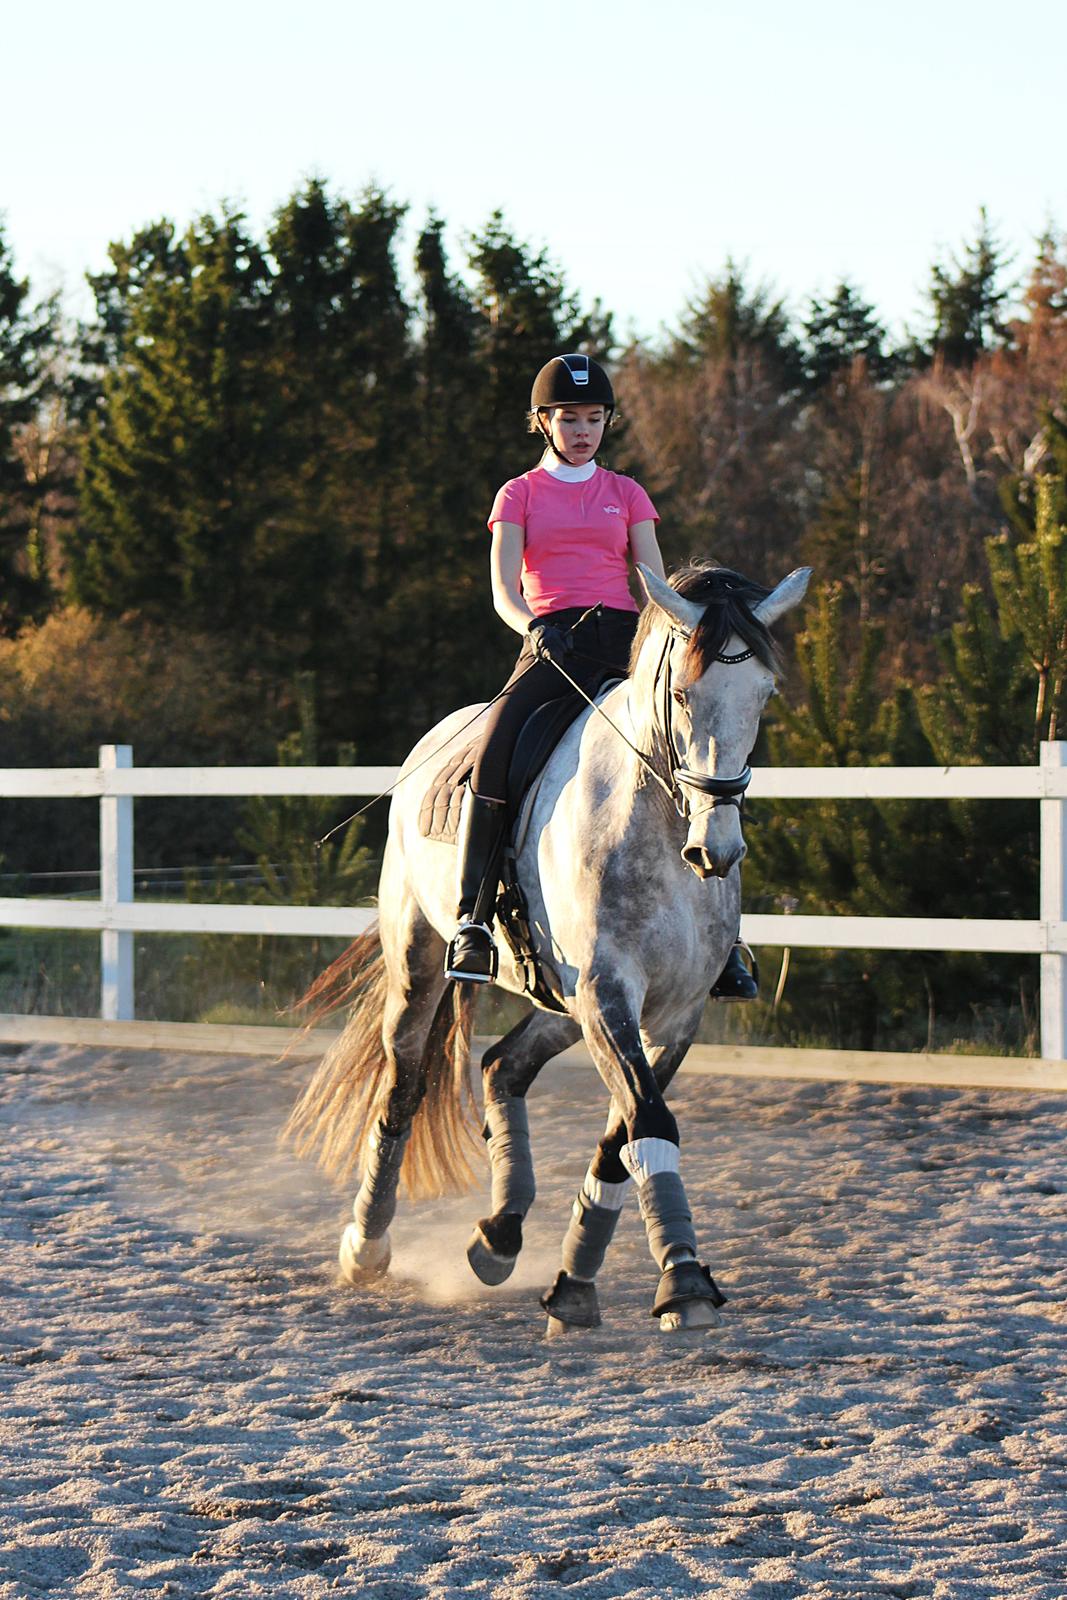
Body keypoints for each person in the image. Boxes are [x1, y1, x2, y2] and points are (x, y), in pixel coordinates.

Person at [444, 352, 757, 1003]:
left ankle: (725, 938)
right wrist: (533, 626)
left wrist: (670, 642)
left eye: (593, 418)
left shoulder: (627, 494)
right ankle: (472, 920)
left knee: (712, 753)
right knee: (493, 756)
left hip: (627, 646)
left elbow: (655, 587)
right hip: (551, 647)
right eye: (569, 418)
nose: (583, 430)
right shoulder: (518, 495)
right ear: (543, 422)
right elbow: (503, 591)